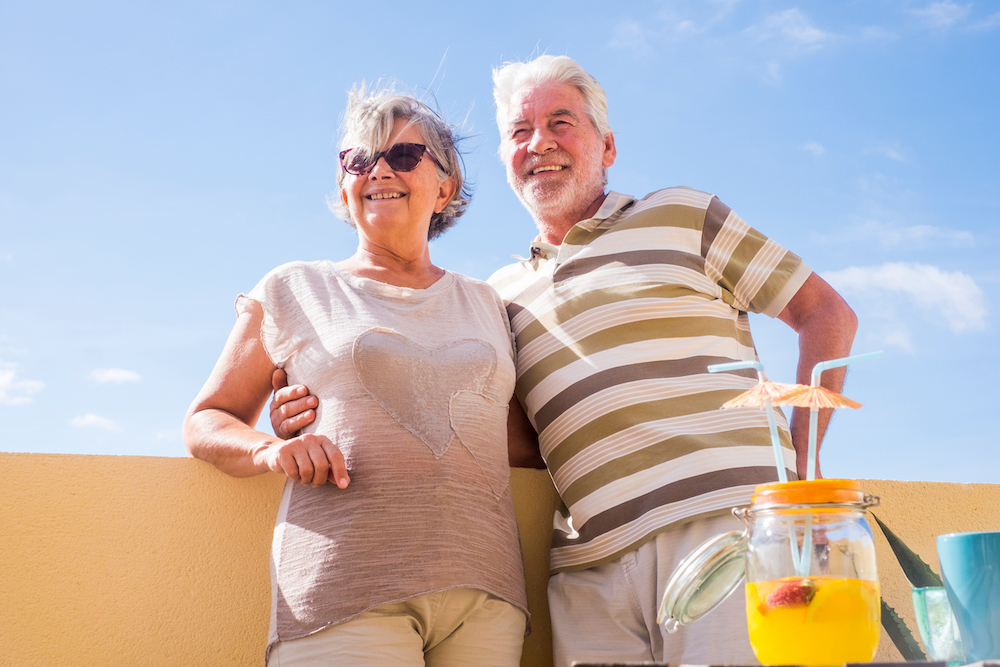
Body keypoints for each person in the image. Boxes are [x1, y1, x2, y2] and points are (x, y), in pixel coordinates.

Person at [273, 56, 857, 667]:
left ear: (607, 146)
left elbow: (827, 314)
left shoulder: (685, 216)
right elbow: (476, 425)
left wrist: (805, 469)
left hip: (727, 528)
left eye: (560, 123)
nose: (539, 143)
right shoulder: (494, 300)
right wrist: (319, 409)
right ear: (505, 159)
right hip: (587, 570)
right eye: (520, 131)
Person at [184, 84, 533, 667]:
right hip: (343, 590)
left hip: (487, 592)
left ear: (445, 187)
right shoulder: (294, 288)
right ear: (344, 183)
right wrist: (274, 450)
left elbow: (516, 441)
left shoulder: (490, 305)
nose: (378, 171)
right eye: (358, 158)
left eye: (402, 156)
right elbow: (205, 420)